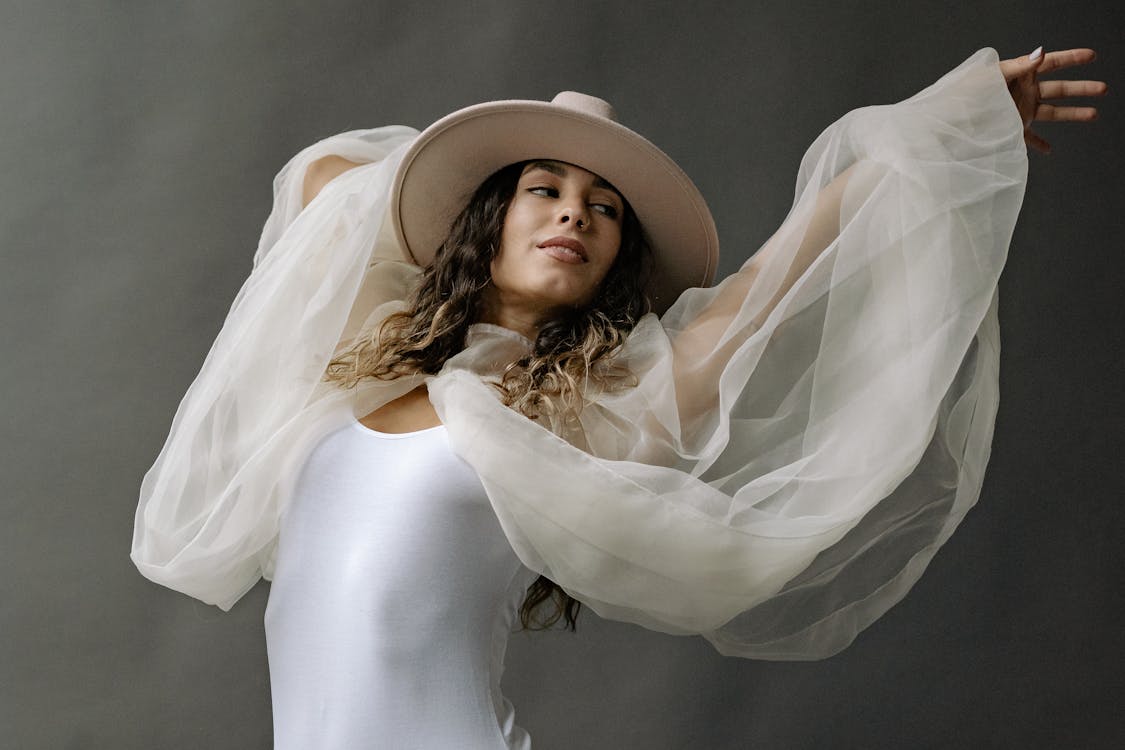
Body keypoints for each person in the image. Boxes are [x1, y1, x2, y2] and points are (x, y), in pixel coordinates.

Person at [132, 46, 1104, 748]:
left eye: (603, 209)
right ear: (488, 221)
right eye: (544, 191)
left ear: (615, 262)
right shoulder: (361, 361)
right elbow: (322, 180)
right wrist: (470, 164)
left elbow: (769, 282)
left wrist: (952, 116)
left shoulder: (587, 413)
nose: (574, 215)